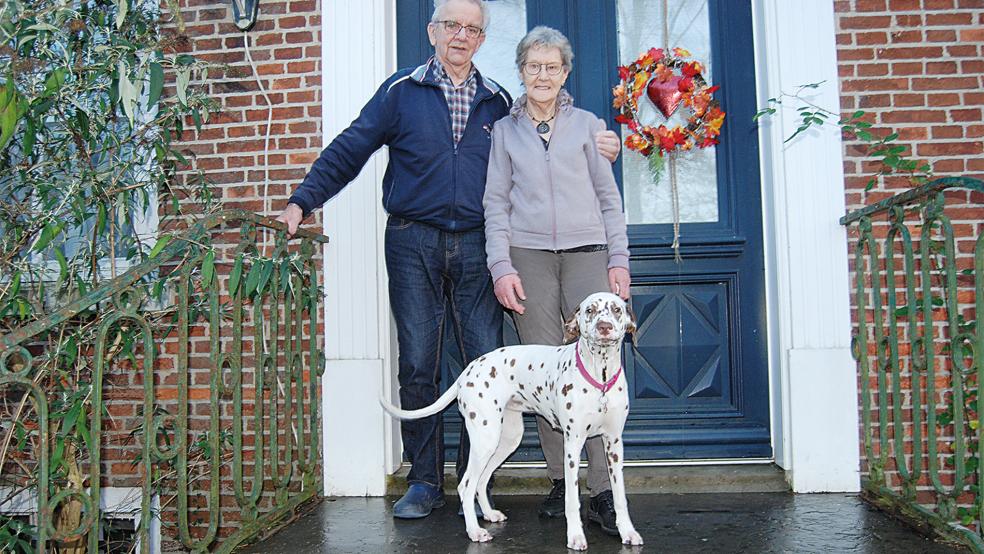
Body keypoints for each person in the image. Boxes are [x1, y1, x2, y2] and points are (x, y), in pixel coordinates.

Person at [276, 1, 621, 520]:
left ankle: (470, 481)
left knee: (483, 361)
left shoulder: (498, 103)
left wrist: (600, 140)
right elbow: (352, 145)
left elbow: (543, 148)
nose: (461, 36)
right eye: (451, 26)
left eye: (473, 29)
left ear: (483, 40)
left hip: (477, 246)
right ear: (434, 31)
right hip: (413, 240)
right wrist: (305, 198)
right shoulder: (402, 92)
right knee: (418, 361)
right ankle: (422, 480)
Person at [482, 26, 631, 536]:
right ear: (521, 72)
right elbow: (495, 204)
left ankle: (602, 492)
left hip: (588, 252)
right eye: (532, 66)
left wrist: (620, 260)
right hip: (529, 258)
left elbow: (609, 199)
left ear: (565, 73)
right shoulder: (504, 132)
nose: (542, 75)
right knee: (547, 366)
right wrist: (501, 266)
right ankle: (558, 482)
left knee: (595, 368)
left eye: (552, 67)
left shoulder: (590, 126)